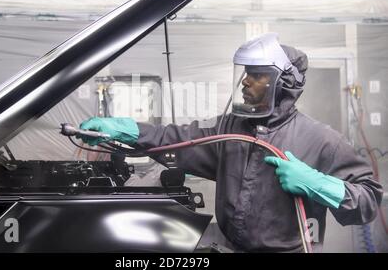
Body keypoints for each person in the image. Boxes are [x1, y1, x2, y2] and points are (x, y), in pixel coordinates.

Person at [77, 33, 383, 252]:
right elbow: (177, 139)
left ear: (283, 83)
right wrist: (125, 129)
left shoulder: (321, 140)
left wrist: (318, 184)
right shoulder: (230, 128)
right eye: (245, 73)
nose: (245, 82)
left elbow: (368, 199)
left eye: (257, 75)